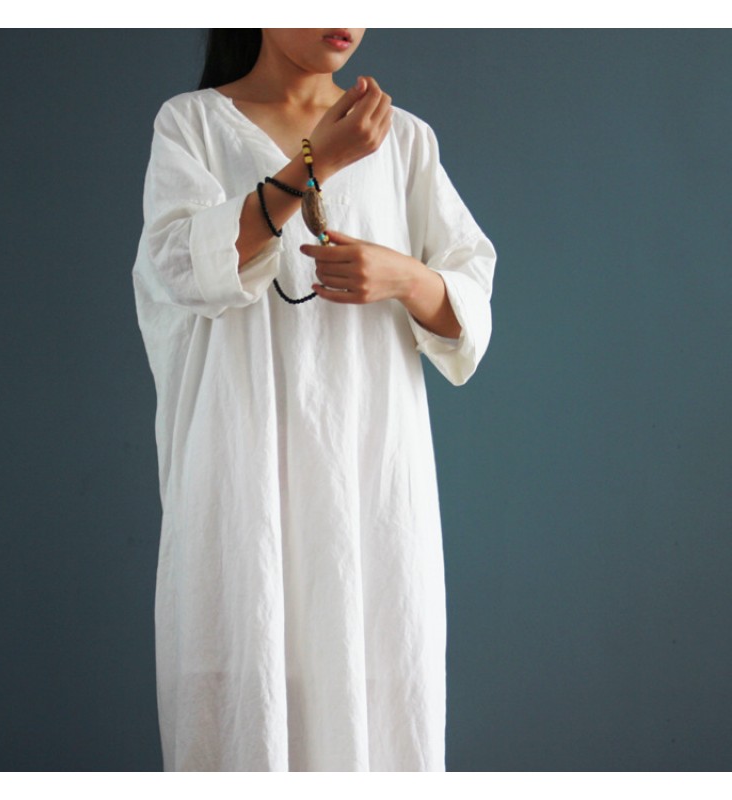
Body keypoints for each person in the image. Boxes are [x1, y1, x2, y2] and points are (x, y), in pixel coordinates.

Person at [132, 28, 496, 772]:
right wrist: (315, 163)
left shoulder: (404, 141)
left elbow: (469, 310)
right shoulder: (191, 125)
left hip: (368, 498)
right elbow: (180, 268)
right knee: (241, 706)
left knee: (376, 708)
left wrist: (404, 277)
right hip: (239, 490)